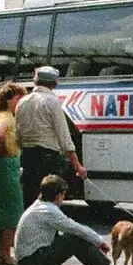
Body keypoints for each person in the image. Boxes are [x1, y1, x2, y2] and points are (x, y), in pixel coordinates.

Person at [13, 175, 113, 265]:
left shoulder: (39, 205)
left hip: (27, 261)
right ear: (59, 196)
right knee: (74, 238)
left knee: (64, 235)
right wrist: (99, 241)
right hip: (32, 264)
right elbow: (74, 228)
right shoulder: (49, 210)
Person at [15, 66, 87, 210]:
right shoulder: (52, 102)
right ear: (55, 84)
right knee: (48, 201)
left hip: (27, 156)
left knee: (30, 199)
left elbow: (18, 136)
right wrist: (78, 166)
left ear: (35, 81)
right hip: (47, 159)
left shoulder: (22, 102)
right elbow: (64, 138)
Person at [0, 82, 25, 265]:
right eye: (18, 98)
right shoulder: (7, 117)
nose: (20, 101)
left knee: (1, 210)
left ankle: (1, 252)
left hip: (0, 165)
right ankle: (5, 254)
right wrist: (4, 149)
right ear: (9, 99)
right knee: (13, 211)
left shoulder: (1, 115)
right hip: (6, 164)